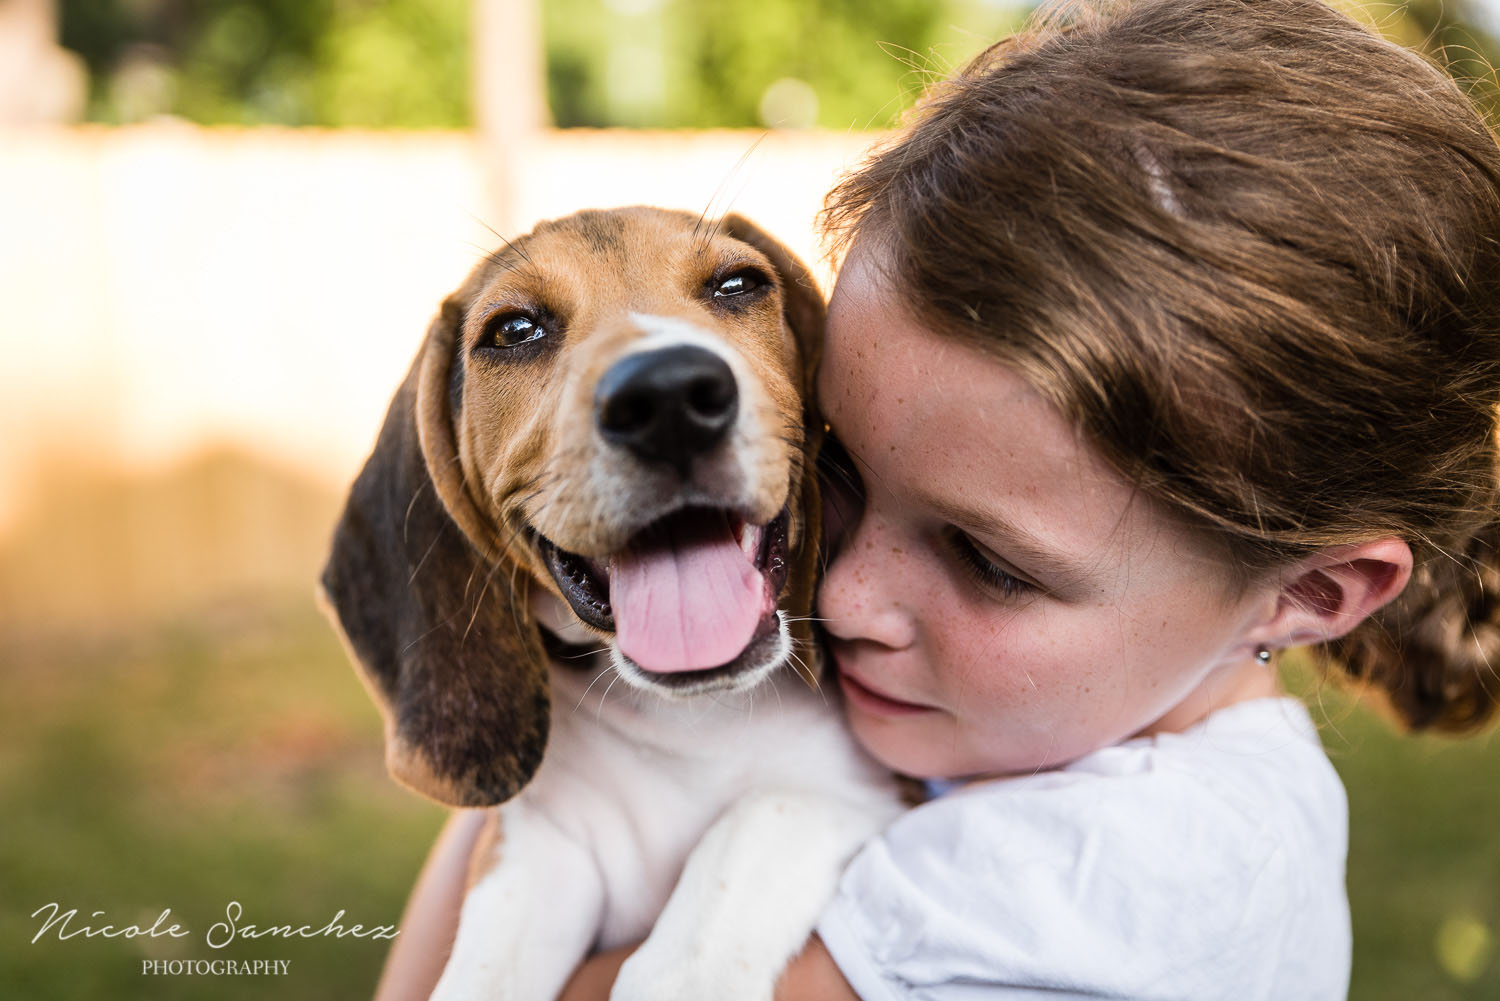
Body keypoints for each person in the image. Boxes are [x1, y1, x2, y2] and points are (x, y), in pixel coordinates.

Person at [380, 0, 1500, 997]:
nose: (844, 588)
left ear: (1308, 589)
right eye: (842, 472)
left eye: (988, 559)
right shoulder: (1024, 725)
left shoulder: (1130, 875)